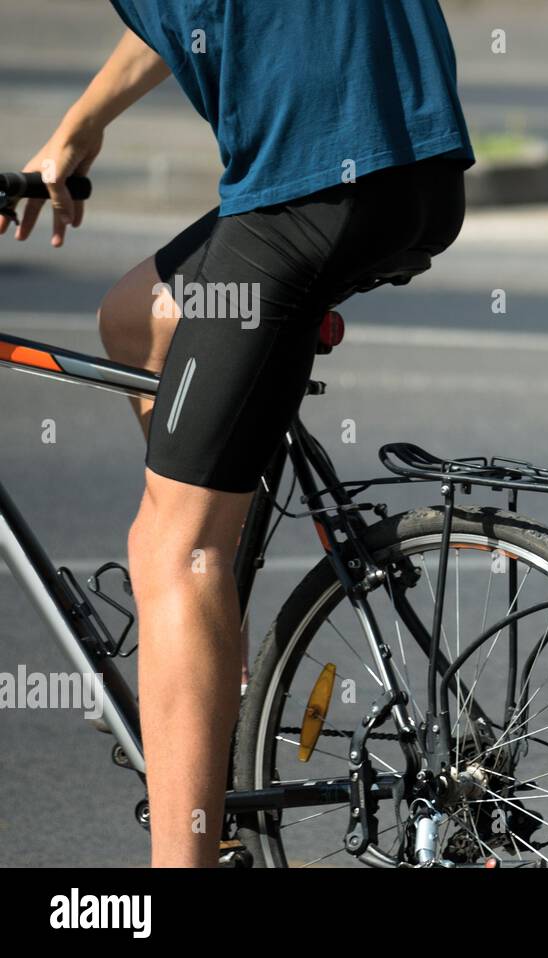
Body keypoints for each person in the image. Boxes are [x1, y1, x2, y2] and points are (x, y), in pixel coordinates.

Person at [0, 2, 473, 866]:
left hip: (309, 191)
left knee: (170, 551)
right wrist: (79, 127)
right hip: (422, 176)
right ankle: (217, 638)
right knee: (135, 316)